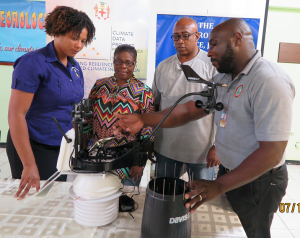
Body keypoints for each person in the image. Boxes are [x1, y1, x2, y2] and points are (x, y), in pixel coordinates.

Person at [112, 18, 295, 238]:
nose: (208, 53)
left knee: (254, 231)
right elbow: (189, 110)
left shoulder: (268, 81)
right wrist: (144, 119)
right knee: (226, 227)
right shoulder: (224, 79)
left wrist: (219, 185)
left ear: (237, 39)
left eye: (214, 44)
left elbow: (272, 153)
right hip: (231, 172)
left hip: (259, 180)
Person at [6, 6, 96, 200]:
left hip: (61, 145)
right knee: (34, 201)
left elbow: (70, 105)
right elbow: (16, 114)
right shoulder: (32, 63)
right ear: (57, 31)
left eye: (83, 40)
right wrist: (29, 164)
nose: (79, 45)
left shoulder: (74, 66)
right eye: (74, 38)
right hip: (32, 145)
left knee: (55, 198)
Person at [152, 17, 219, 180]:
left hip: (201, 152)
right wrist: (151, 139)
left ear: (197, 36)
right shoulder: (163, 67)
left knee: (201, 200)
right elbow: (154, 105)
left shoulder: (212, 66)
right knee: (165, 196)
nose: (180, 41)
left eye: (185, 35)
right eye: (176, 36)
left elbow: (223, 110)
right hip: (166, 148)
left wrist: (218, 146)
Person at [83, 44, 155, 185]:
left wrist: (139, 162)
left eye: (128, 63)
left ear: (134, 64)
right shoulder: (99, 85)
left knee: (124, 200)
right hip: (98, 155)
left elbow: (148, 129)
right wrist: (84, 149)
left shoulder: (143, 91)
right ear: (113, 61)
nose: (123, 66)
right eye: (119, 61)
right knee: (99, 197)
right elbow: (89, 119)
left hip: (126, 157)